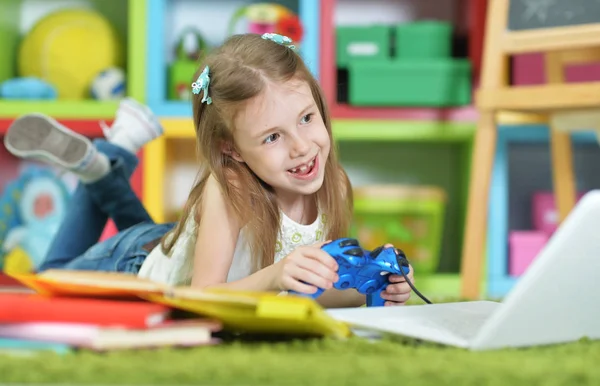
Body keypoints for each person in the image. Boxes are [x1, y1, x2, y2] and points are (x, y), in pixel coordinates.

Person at [3, 33, 415, 308]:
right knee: (40, 286)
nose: (302, 146)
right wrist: (275, 275)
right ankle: (103, 162)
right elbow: (200, 296)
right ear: (230, 149)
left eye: (307, 118)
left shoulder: (334, 185)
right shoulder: (230, 190)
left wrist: (372, 285)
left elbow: (310, 292)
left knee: (172, 243)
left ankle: (102, 168)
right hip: (136, 265)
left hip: (178, 246)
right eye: (273, 137)